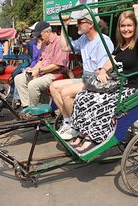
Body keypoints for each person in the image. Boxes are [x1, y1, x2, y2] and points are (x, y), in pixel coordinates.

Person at [69, 3, 138, 153]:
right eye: (123, 26)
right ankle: (83, 132)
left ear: (135, 27)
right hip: (115, 86)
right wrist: (102, 71)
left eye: (129, 25)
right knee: (83, 96)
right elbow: (110, 61)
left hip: (128, 89)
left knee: (98, 102)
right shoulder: (121, 46)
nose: (126, 29)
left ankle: (94, 137)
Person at [49, 9, 114, 140]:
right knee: (53, 87)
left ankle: (76, 126)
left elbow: (101, 71)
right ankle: (68, 121)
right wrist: (64, 25)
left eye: (80, 22)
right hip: (86, 79)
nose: (77, 25)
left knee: (66, 92)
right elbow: (65, 47)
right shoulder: (84, 39)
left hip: (97, 81)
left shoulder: (103, 41)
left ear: (90, 24)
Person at [14, 21, 70, 108]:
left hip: (55, 74)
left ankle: (33, 111)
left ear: (47, 32)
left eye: (40, 36)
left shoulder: (59, 42)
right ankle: (27, 107)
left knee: (33, 84)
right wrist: (33, 69)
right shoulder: (44, 43)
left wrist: (39, 70)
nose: (38, 38)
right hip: (43, 72)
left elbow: (57, 65)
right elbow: (41, 60)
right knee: (19, 79)